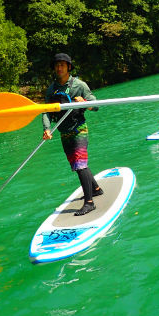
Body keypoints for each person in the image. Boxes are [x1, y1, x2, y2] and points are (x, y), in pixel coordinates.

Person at [42, 53, 103, 216]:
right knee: (78, 164)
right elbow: (46, 111)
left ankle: (89, 203)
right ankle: (96, 188)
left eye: (62, 65)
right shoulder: (51, 89)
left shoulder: (79, 85)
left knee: (80, 163)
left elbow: (96, 105)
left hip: (79, 128)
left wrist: (86, 103)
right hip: (64, 132)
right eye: (57, 65)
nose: (59, 67)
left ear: (69, 67)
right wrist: (46, 128)